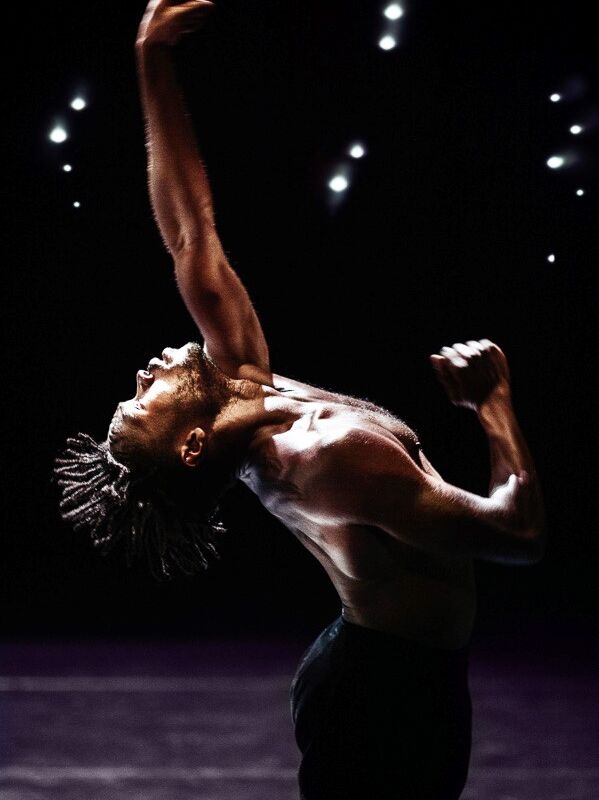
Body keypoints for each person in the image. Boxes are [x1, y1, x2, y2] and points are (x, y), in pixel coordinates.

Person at [54, 2, 546, 797]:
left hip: (367, 660)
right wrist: (492, 405)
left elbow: (187, 231)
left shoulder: (246, 381)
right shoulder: (323, 460)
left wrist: (150, 56)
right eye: (141, 398)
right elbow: (517, 534)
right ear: (189, 444)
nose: (143, 372)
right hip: (388, 694)